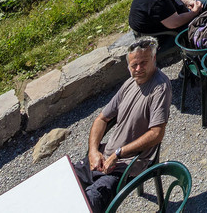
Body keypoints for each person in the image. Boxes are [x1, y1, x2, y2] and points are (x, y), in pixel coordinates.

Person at [72, 37, 171, 210]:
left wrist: (118, 154)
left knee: (89, 203)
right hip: (103, 157)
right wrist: (94, 151)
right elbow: (102, 118)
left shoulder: (160, 87)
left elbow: (157, 133)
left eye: (143, 63)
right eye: (134, 65)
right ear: (128, 66)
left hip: (126, 165)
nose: (138, 69)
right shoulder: (129, 83)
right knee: (65, 183)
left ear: (154, 59)